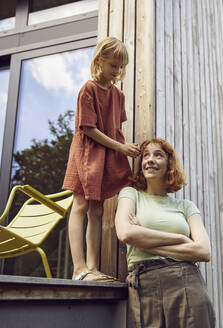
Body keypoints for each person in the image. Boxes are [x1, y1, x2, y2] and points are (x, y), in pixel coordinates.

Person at [62, 37, 140, 281]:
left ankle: (92, 268)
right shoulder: (88, 89)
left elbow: (114, 127)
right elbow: (89, 129)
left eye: (120, 67)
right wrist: (121, 148)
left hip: (104, 156)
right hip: (86, 152)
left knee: (96, 211)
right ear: (99, 61)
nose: (117, 71)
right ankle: (78, 268)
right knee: (81, 206)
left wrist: (119, 153)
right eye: (113, 65)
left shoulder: (118, 95)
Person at [115, 138, 215, 327]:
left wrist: (143, 236)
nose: (150, 160)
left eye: (158, 155)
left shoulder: (186, 206)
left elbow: (203, 251)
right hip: (144, 282)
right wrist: (180, 239)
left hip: (186, 281)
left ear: (170, 163)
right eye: (146, 156)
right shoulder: (130, 195)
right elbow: (126, 233)